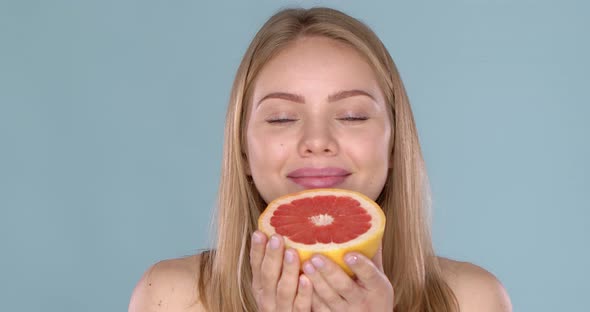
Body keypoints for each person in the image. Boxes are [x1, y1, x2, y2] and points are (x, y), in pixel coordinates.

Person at [128, 7, 512, 312]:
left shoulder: (471, 301)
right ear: (243, 150)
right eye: (281, 118)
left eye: (352, 116)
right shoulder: (172, 298)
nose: (317, 141)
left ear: (394, 144)